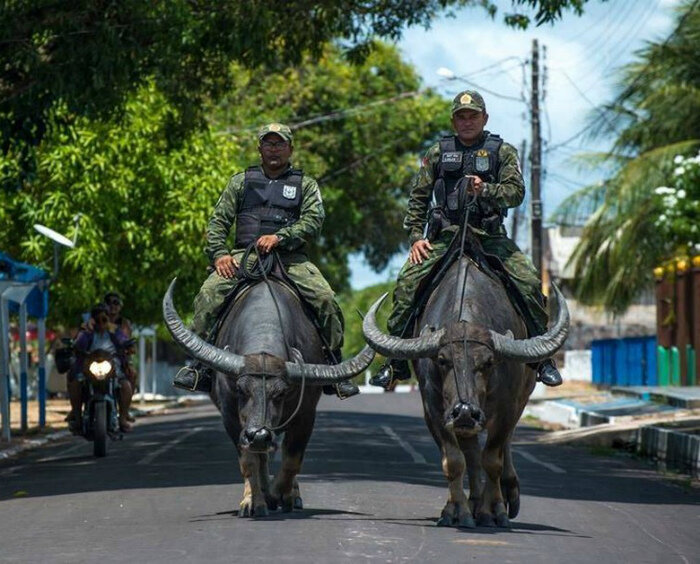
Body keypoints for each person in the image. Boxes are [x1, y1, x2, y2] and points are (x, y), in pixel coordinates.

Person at [372, 90, 563, 389]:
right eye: (461, 116)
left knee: (528, 284)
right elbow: (418, 197)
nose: (467, 121)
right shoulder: (437, 152)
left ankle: (541, 359)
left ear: (484, 118)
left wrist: (485, 189)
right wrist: (415, 238)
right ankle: (395, 362)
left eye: (473, 115)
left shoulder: (503, 152)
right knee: (407, 284)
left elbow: (516, 193)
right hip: (445, 235)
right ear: (453, 121)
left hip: (489, 236)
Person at [173, 123, 359, 399]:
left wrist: (281, 237)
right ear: (259, 148)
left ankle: (334, 365)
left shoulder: (305, 184)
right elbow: (217, 223)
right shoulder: (240, 181)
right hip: (243, 257)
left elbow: (313, 221)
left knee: (326, 299)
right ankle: (198, 366)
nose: (274, 149)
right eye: (269, 144)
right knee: (207, 295)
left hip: (290, 259)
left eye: (280, 144)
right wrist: (219, 254)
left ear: (290, 149)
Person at [67, 303, 134, 433]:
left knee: (126, 386)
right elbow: (77, 344)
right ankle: (77, 417)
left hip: (113, 368)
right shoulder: (87, 333)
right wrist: (76, 343)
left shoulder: (116, 332)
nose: (101, 323)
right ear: (92, 320)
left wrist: (128, 346)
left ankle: (123, 418)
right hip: (88, 368)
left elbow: (125, 342)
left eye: (104, 319)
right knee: (75, 383)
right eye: (98, 319)